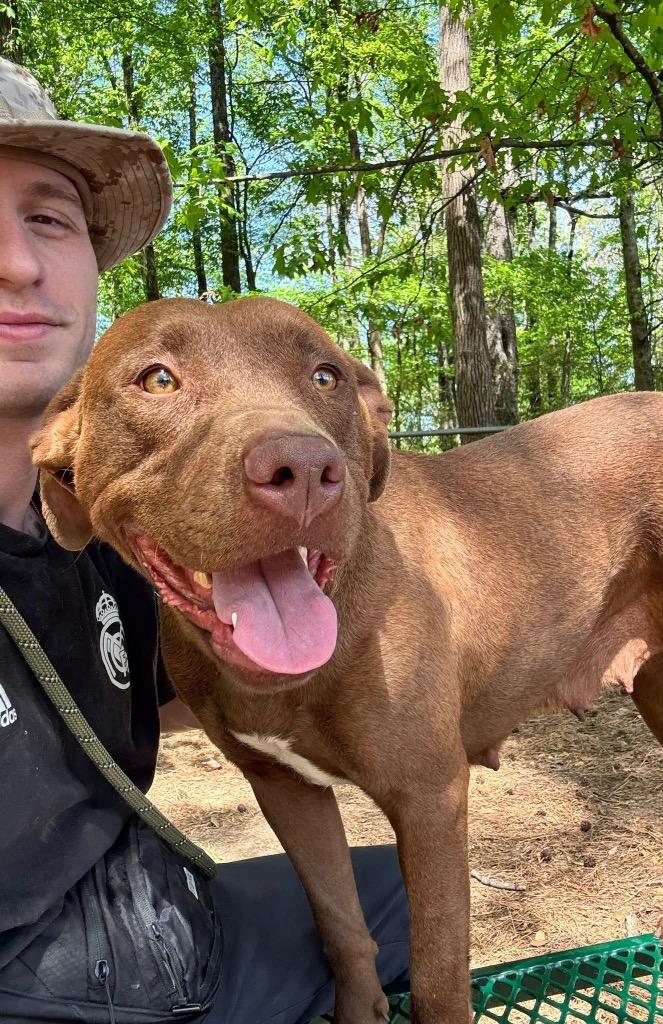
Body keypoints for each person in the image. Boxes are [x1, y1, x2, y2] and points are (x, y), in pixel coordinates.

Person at [0, 57, 409, 1024]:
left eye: (49, 218)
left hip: (168, 922)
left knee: (408, 881)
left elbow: (244, 675)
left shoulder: (114, 533)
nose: (17, 261)